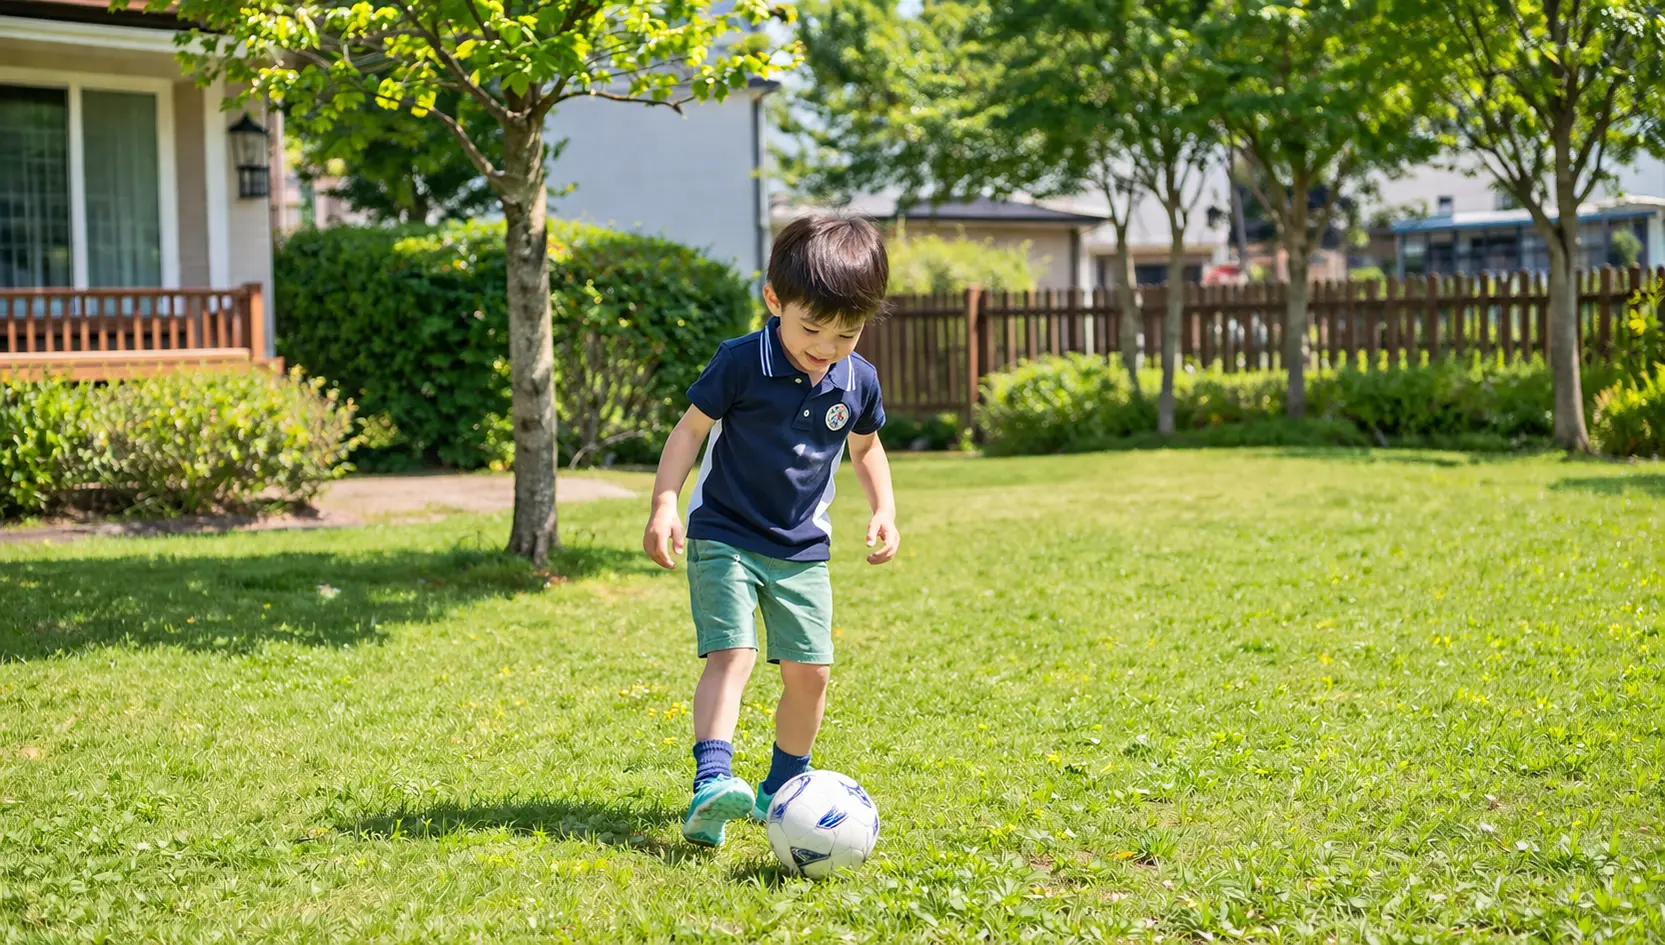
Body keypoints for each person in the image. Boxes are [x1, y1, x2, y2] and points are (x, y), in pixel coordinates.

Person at [642, 213, 899, 847]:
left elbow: (865, 449)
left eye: (847, 332)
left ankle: (782, 788)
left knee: (811, 673)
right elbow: (689, 432)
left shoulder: (857, 378)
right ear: (774, 300)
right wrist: (664, 504)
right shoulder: (740, 361)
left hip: (802, 547)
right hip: (724, 532)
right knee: (735, 653)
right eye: (812, 328)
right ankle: (711, 783)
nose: (827, 346)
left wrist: (884, 509)